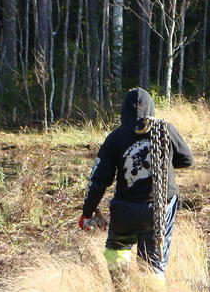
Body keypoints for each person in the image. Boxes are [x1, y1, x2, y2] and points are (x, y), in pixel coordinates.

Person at [79, 88, 194, 279]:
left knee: (117, 252)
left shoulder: (115, 137)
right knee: (152, 266)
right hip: (157, 210)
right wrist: (164, 164)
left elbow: (99, 180)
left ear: (123, 111)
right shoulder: (166, 129)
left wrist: (87, 212)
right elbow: (187, 160)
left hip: (124, 211)